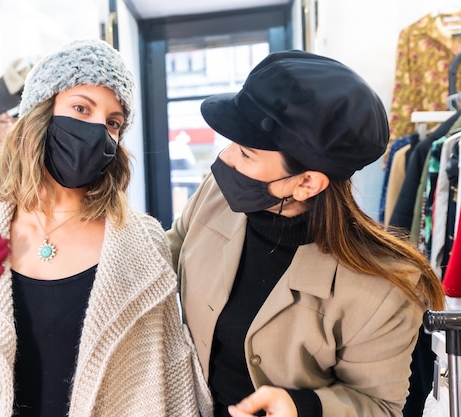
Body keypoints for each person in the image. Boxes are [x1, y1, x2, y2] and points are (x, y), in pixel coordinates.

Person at [0, 39, 212, 417]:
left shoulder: (142, 243)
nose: (97, 131)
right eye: (80, 108)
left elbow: (168, 382)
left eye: (112, 122)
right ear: (40, 114)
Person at [167, 49, 446, 417]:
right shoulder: (215, 195)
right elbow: (168, 253)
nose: (225, 159)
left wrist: (304, 408)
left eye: (246, 153)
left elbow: (380, 405)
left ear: (306, 183)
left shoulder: (383, 290)